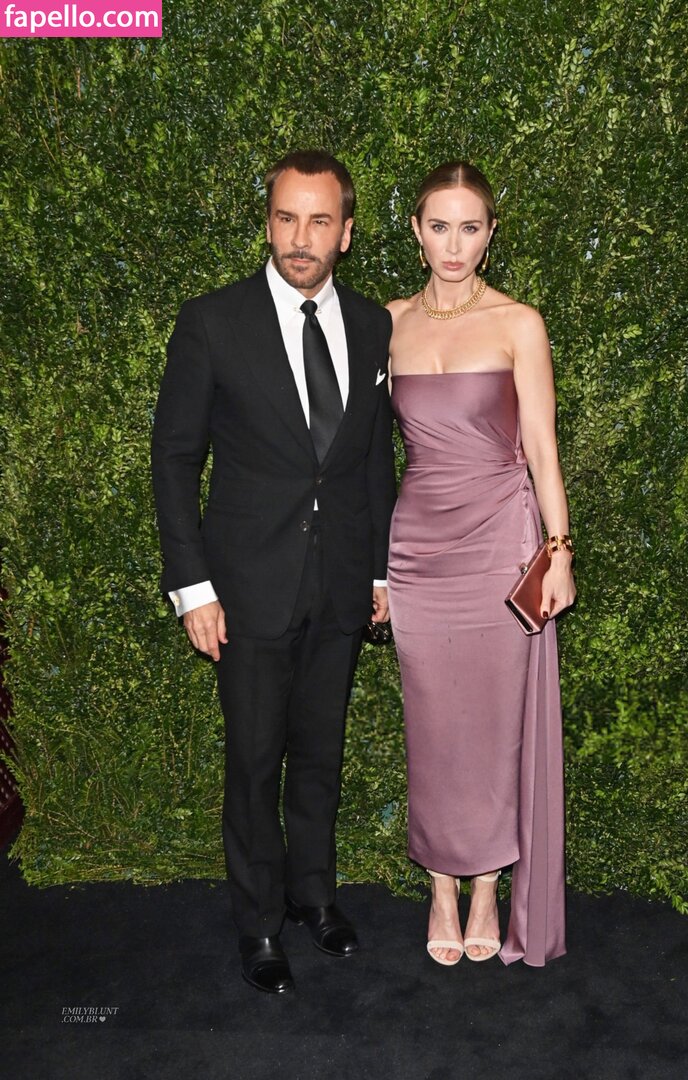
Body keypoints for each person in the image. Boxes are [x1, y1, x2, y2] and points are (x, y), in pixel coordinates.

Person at [151, 150, 396, 995]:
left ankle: (313, 896)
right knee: (255, 761)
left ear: (346, 232)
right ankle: (258, 922)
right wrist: (193, 586)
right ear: (268, 222)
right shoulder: (213, 321)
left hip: (340, 584)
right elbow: (174, 458)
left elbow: (372, 460)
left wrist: (378, 572)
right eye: (287, 217)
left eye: (319, 220)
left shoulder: (371, 325)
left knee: (321, 753)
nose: (300, 237)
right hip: (246, 587)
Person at [386, 162, 575, 968]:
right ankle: (440, 886)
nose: (453, 244)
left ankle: (489, 886)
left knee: (496, 723)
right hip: (416, 550)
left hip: (501, 542)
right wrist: (371, 572)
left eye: (470, 228)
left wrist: (558, 551)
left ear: (491, 234)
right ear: (416, 230)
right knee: (432, 722)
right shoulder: (385, 323)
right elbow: (357, 456)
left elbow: (542, 449)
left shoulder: (518, 323)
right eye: (439, 226)